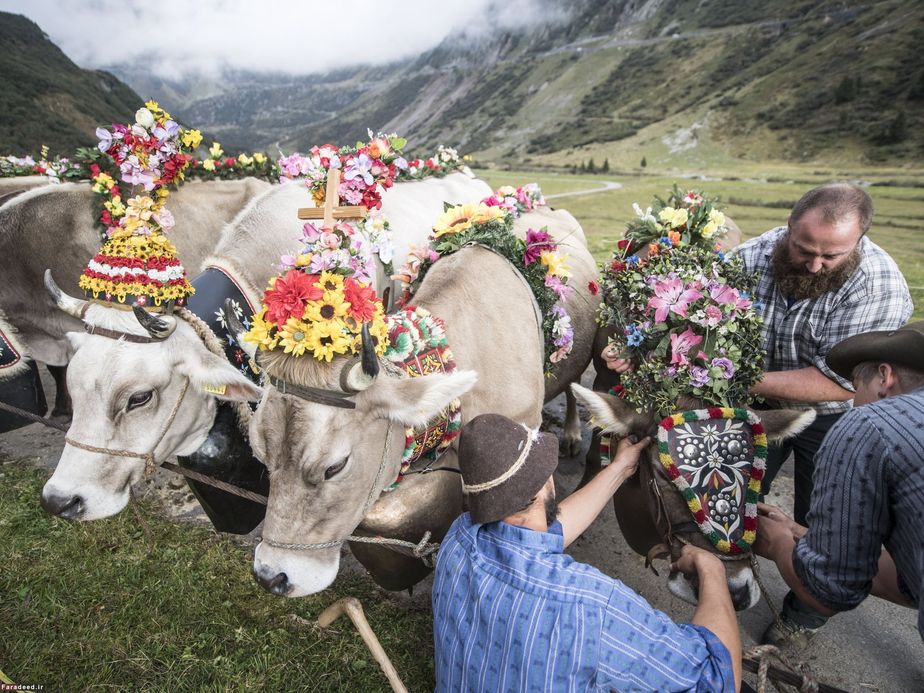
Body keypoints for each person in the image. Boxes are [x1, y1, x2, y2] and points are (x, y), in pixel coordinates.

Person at [432, 413, 741, 692]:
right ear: (545, 484)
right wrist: (712, 569)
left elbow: (538, 532)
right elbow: (716, 681)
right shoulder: (593, 606)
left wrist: (620, 468)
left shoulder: (459, 538)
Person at [754, 321, 924, 646]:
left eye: (856, 389)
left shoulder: (871, 422)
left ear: (885, 377)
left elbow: (829, 591)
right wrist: (803, 536)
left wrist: (777, 542)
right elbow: (909, 577)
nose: (854, 402)